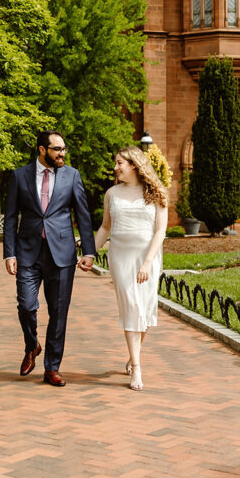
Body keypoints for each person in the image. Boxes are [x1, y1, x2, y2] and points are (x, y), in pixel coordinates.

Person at [3, 130, 95, 386]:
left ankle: (52, 368)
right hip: (28, 252)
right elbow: (11, 217)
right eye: (57, 149)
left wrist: (88, 251)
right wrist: (9, 253)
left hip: (62, 254)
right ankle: (32, 345)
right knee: (26, 305)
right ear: (43, 150)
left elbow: (83, 215)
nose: (62, 153)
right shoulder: (20, 175)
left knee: (58, 312)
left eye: (64, 149)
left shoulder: (72, 175)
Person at [92, 145, 168, 390]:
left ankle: (132, 355)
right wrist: (90, 254)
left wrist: (147, 262)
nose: (115, 168)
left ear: (134, 165)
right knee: (131, 307)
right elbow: (105, 228)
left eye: (119, 163)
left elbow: (160, 231)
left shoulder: (156, 193)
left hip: (148, 258)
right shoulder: (112, 194)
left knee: (144, 311)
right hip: (121, 258)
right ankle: (137, 367)